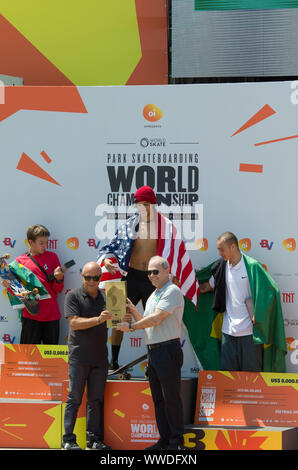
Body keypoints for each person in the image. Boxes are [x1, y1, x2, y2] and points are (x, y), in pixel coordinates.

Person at [98, 185, 199, 371]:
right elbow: (111, 248)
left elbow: (176, 253)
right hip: (130, 276)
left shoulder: (166, 227)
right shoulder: (130, 224)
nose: (142, 208)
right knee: (116, 317)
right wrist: (107, 262)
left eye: (146, 204)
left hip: (153, 279)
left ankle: (153, 364)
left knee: (151, 321)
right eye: (139, 204)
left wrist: (174, 274)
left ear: (153, 204)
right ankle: (113, 362)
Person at [117, 256, 185, 450]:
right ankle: (164, 440)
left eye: (155, 271)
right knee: (158, 399)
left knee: (171, 398)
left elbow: (156, 319)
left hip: (167, 349)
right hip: (154, 351)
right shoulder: (155, 294)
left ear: (166, 271)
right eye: (149, 272)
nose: (151, 275)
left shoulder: (172, 291)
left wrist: (131, 327)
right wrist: (132, 309)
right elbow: (147, 321)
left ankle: (176, 442)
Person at [199, 232, 286, 372]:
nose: (220, 253)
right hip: (228, 332)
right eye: (218, 250)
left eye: (222, 249)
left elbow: (271, 291)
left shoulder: (252, 266)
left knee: (251, 378)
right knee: (229, 378)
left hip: (250, 333)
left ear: (233, 247)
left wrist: (259, 312)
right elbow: (207, 287)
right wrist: (185, 286)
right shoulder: (221, 267)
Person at [62, 262, 113, 450]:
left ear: (100, 278)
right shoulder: (72, 296)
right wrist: (99, 319)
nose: (91, 281)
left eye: (96, 277)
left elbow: (116, 321)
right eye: (87, 277)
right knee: (74, 399)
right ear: (82, 276)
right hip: (79, 358)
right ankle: (68, 439)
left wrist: (125, 318)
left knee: (95, 401)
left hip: (100, 359)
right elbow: (74, 323)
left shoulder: (106, 297)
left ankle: (93, 439)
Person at [15, 224, 64, 344]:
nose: (45, 246)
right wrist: (8, 284)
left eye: (46, 242)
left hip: (52, 315)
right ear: (30, 242)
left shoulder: (53, 257)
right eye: (41, 243)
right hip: (31, 316)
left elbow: (58, 289)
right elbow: (16, 291)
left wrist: (59, 279)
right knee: (27, 357)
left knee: (50, 359)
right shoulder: (19, 262)